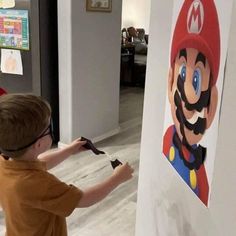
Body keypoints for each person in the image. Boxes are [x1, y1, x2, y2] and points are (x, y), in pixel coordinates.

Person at [0, 93, 134, 236]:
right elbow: (84, 199)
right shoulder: (39, 184)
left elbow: (40, 162)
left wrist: (68, 151)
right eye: (49, 128)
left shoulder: (6, 163)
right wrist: (117, 178)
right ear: (38, 144)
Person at [162, 0, 220, 206]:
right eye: (182, 72)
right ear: (170, 83)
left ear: (211, 106)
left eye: (196, 80)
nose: (186, 94)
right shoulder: (167, 137)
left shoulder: (202, 177)